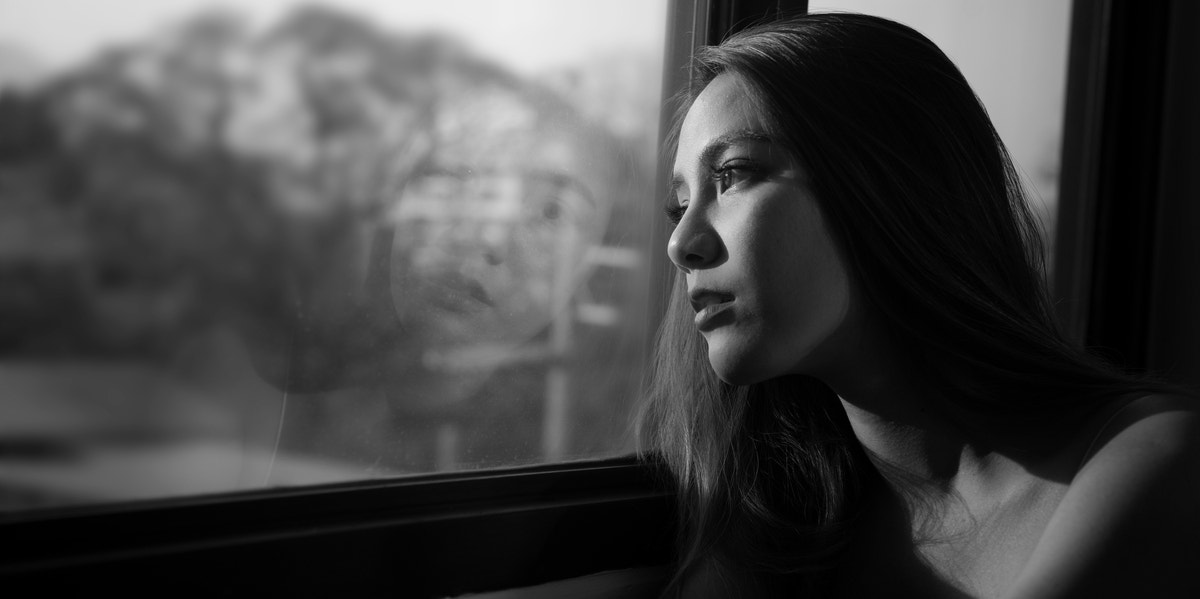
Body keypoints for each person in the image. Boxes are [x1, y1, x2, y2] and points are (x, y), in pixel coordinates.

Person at [639, 12, 1199, 598]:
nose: (681, 245)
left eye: (732, 174)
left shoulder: (1155, 461)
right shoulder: (770, 522)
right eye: (680, 207)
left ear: (888, 182)